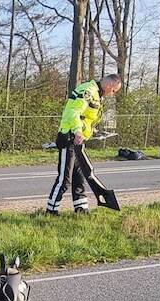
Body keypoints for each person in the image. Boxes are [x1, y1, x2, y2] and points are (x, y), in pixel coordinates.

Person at [44, 74, 122, 214]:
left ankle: (81, 208)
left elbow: (86, 118)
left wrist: (93, 131)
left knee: (80, 176)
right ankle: (51, 211)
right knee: (64, 179)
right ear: (110, 85)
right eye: (114, 91)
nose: (112, 94)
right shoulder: (88, 91)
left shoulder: (97, 95)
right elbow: (74, 112)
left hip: (78, 140)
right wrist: (78, 131)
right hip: (69, 137)